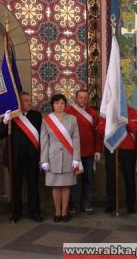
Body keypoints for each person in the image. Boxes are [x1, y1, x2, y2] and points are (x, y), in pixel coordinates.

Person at [0, 91, 42, 223]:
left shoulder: (36, 115)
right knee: (15, 186)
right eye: (26, 101)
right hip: (14, 157)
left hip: (32, 157)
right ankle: (16, 212)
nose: (29, 103)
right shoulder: (11, 116)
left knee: (33, 185)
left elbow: (41, 137)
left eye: (29, 100)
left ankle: (34, 211)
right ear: (19, 103)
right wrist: (5, 121)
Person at [40, 94, 81, 222]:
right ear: (53, 105)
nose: (60, 106)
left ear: (65, 105)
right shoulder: (47, 120)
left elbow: (76, 138)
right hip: (53, 158)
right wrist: (44, 160)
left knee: (66, 186)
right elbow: (44, 141)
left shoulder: (72, 119)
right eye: (57, 103)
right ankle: (57, 212)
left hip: (69, 156)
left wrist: (76, 158)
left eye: (62, 103)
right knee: (56, 186)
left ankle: (65, 212)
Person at [97, 106, 137, 214]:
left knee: (129, 177)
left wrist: (124, 120)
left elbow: (134, 128)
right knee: (111, 177)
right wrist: (111, 122)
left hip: (127, 148)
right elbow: (101, 130)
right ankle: (111, 203)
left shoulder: (131, 111)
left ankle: (131, 204)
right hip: (111, 147)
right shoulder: (106, 111)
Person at [65, 90, 100, 214]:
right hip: (74, 153)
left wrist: (97, 149)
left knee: (88, 179)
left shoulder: (93, 113)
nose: (83, 100)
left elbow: (97, 134)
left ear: (88, 99)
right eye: (80, 97)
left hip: (89, 153)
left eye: (85, 98)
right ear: (76, 98)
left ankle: (87, 204)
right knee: (74, 179)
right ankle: (74, 205)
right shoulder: (68, 111)